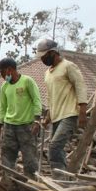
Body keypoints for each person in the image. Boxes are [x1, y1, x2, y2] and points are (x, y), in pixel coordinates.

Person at [36, 39, 88, 177]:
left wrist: (83, 111)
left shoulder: (68, 66)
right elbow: (50, 96)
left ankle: (60, 180)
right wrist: (48, 116)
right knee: (55, 149)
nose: (42, 60)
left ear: (53, 53)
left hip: (69, 113)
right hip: (56, 115)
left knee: (55, 146)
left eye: (44, 56)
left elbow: (80, 86)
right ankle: (63, 178)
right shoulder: (48, 73)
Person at [0, 57, 43, 179]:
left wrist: (37, 120)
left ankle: (32, 183)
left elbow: (37, 101)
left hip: (27, 126)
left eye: (2, 72)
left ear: (9, 70)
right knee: (7, 155)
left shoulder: (27, 81)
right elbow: (2, 107)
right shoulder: (4, 87)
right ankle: (8, 182)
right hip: (9, 127)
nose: (1, 75)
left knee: (30, 157)